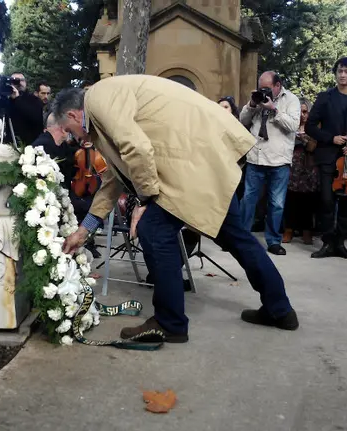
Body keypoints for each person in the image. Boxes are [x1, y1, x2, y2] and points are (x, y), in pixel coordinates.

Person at [53, 75, 298, 342]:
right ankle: (280, 310)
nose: (71, 137)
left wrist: (145, 199)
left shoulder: (98, 98)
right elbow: (113, 180)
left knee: (153, 230)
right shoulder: (102, 111)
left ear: (73, 115)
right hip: (203, 157)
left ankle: (169, 323)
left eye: (68, 130)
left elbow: (136, 147)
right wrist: (83, 231)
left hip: (193, 159)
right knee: (236, 237)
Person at [305, 57, 347, 259]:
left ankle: (340, 243)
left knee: (346, 202)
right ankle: (327, 243)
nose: (342, 75)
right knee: (327, 200)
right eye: (340, 71)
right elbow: (310, 126)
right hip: (327, 155)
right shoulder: (324, 97)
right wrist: (331, 138)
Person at [239, 71, 301, 255]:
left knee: (276, 203)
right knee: (248, 200)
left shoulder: (291, 100)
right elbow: (243, 120)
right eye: (261, 88)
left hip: (279, 160)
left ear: (277, 85)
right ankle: (240, 239)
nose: (263, 91)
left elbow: (293, 126)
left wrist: (274, 109)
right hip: (256, 157)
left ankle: (273, 241)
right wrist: (252, 104)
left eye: (266, 88)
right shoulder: (258, 99)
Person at [282, 98, 319, 245]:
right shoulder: (290, 127)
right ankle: (288, 230)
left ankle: (307, 231)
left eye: (305, 111)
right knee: (291, 198)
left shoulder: (315, 128)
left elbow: (312, 147)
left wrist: (303, 138)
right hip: (293, 166)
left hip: (309, 167)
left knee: (308, 200)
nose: (302, 115)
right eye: (300, 111)